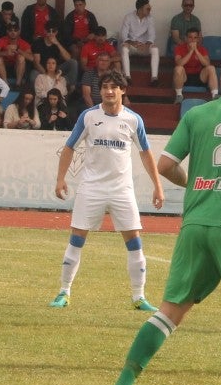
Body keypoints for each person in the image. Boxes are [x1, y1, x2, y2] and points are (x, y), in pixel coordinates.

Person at [103, 49, 221, 385]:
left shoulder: (198, 114)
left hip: (196, 223)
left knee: (170, 311)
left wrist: (200, 186)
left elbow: (166, 165)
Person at [50, 69, 165, 311]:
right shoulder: (89, 116)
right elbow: (69, 147)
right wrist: (60, 178)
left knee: (134, 241)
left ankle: (139, 297)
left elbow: (145, 153)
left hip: (122, 190)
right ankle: (64, 292)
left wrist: (157, 186)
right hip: (91, 188)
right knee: (76, 238)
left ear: (123, 90)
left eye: (114, 87)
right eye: (104, 87)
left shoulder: (134, 120)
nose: (109, 91)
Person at [172, 26, 219, 102]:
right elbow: (179, 63)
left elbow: (207, 63)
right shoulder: (179, 48)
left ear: (198, 39)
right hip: (184, 77)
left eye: (195, 38)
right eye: (190, 37)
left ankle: (215, 96)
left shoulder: (202, 49)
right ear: (186, 38)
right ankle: (179, 96)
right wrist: (191, 51)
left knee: (211, 68)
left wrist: (196, 50)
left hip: (199, 77)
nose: (193, 40)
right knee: (178, 68)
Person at [119, 0, 159, 85]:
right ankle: (127, 76)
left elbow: (152, 35)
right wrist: (133, 43)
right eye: (148, 9)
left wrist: (146, 45)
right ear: (140, 9)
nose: (150, 10)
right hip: (132, 45)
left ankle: (154, 78)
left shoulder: (150, 18)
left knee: (155, 49)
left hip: (144, 46)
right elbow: (123, 35)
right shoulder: (128, 17)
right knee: (124, 48)